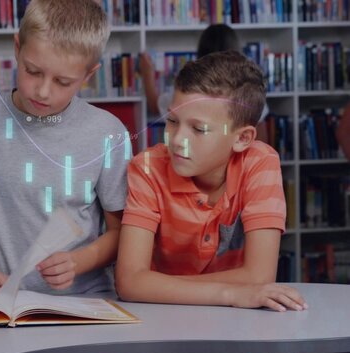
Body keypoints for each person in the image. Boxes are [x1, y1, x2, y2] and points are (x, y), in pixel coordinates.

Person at [0, 0, 130, 295]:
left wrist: (78, 261)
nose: (44, 91)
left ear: (89, 75)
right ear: (17, 48)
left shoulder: (109, 133)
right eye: (32, 71)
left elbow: (122, 233)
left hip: (84, 302)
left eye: (63, 81)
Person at [116, 51, 307, 312]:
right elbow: (130, 283)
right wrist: (231, 292)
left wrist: (159, 285)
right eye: (172, 121)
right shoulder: (147, 168)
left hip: (233, 318)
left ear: (242, 139)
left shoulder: (260, 163)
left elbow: (259, 278)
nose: (177, 139)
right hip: (163, 317)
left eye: (199, 129)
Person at [139, 24, 269, 142]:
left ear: (201, 54)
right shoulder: (248, 89)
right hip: (242, 163)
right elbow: (262, 140)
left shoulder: (189, 92)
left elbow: (154, 105)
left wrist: (147, 73)